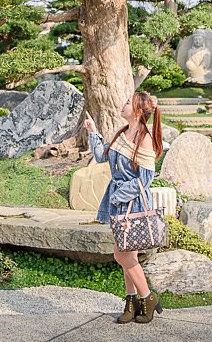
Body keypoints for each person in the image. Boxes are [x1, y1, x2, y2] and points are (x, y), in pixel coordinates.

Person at [83, 91, 165, 324]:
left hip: (132, 202)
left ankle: (148, 298)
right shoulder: (121, 133)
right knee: (127, 253)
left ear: (138, 110)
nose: (123, 104)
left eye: (127, 102)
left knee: (122, 254)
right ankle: (131, 302)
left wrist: (119, 195)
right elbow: (100, 157)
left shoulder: (144, 138)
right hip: (118, 201)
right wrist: (93, 132)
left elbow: (144, 180)